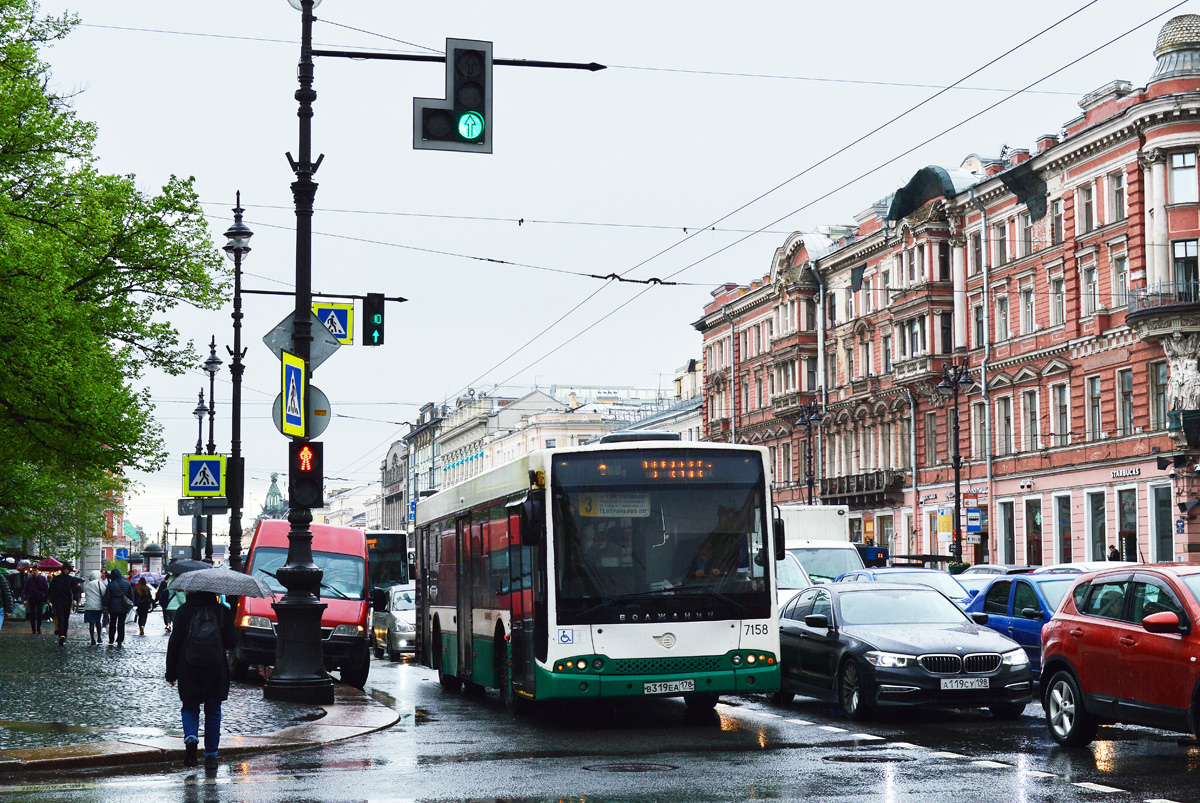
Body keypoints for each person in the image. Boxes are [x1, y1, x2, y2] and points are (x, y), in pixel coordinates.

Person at [165, 590, 235, 772]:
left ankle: (191, 737)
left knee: (189, 707)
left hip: (188, 666)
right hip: (215, 668)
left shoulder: (183, 611)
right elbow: (232, 643)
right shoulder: (222, 611)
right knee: (213, 711)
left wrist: (170, 673)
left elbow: (174, 642)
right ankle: (211, 756)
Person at [102, 568, 134, 645]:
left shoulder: (111, 584)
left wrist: (105, 606)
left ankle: (111, 639)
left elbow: (107, 596)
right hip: (123, 606)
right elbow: (131, 596)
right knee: (121, 623)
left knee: (112, 623)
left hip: (113, 606)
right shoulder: (127, 583)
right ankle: (120, 639)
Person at [47, 564, 75, 646]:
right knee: (60, 618)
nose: (66, 571)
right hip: (58, 601)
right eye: (65, 569)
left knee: (65, 619)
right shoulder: (57, 579)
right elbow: (51, 589)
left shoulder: (71, 579)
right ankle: (61, 634)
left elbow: (75, 590)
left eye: (67, 569)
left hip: (67, 602)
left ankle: (64, 634)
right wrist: (48, 598)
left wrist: (75, 599)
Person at [82, 570, 106, 645]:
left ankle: (92, 638)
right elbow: (104, 593)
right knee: (98, 622)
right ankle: (99, 637)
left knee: (91, 623)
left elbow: (86, 595)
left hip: (89, 606)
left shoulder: (87, 585)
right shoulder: (99, 583)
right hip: (97, 606)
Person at [22, 567, 48, 635]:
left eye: (35, 570)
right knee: (32, 614)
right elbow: (26, 589)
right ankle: (33, 629)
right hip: (32, 598)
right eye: (33, 571)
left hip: (40, 598)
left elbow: (46, 589)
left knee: (39, 614)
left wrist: (45, 598)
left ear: (38, 571)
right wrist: (25, 599)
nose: (34, 572)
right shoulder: (29, 579)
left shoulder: (42, 578)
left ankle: (38, 629)